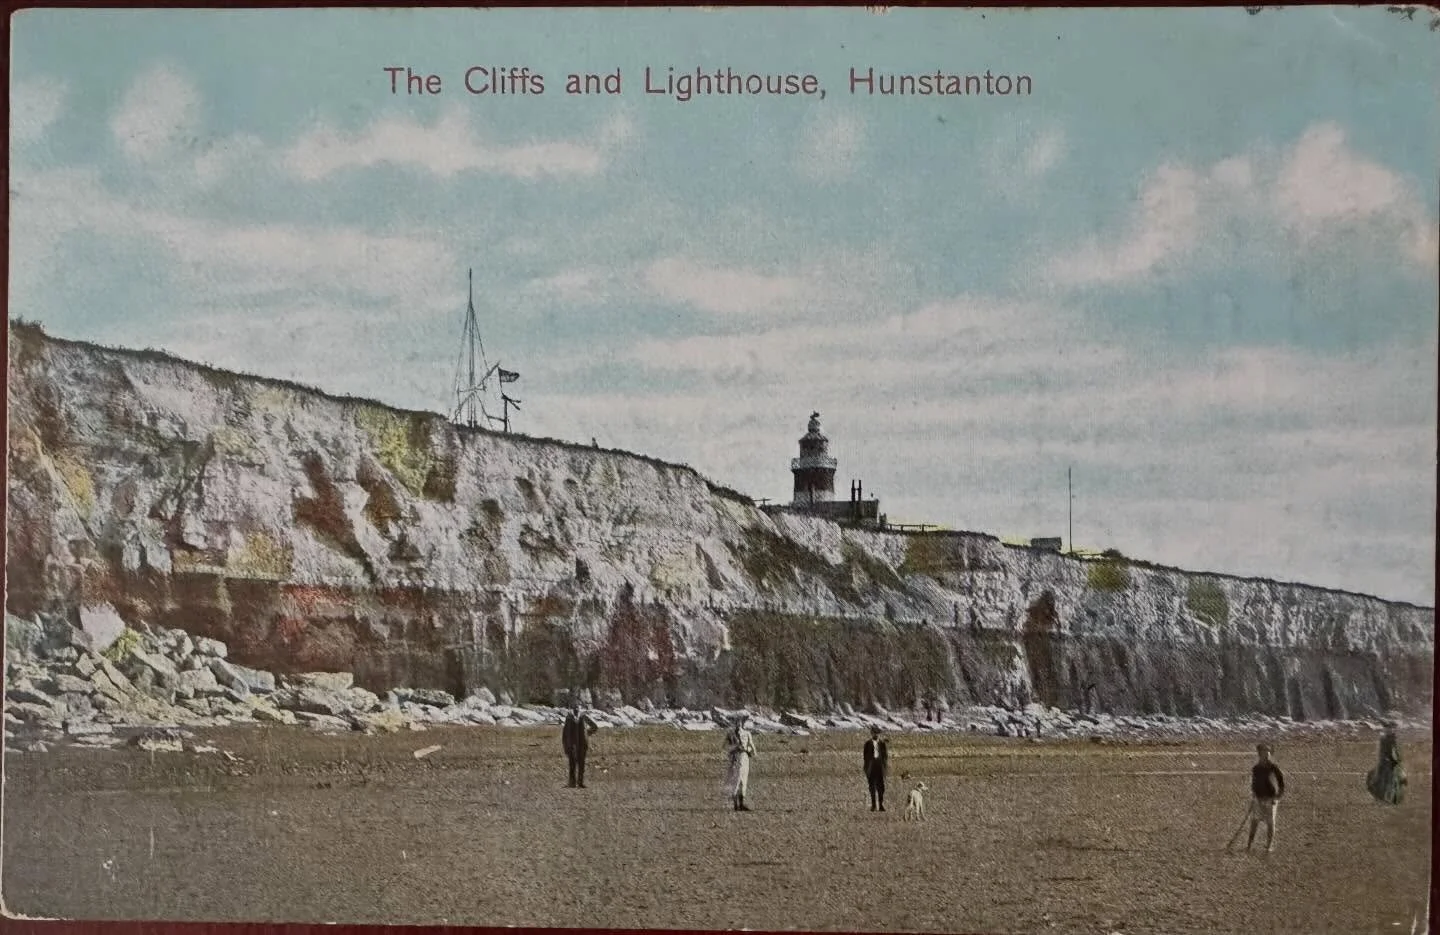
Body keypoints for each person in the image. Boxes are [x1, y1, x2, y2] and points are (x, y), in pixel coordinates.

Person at [1239, 743, 1285, 853]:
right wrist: (1254, 796)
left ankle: (1269, 846)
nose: (1267, 754)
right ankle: (1249, 845)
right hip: (1258, 799)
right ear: (1260, 754)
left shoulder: (1274, 768)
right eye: (1265, 752)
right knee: (1254, 823)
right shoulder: (1256, 768)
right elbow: (1254, 783)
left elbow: (1281, 784)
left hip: (1270, 799)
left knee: (1270, 823)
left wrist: (1277, 797)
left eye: (1268, 752)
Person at [1366, 721, 1407, 806]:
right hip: (1385, 762)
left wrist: (1396, 760)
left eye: (1392, 728)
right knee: (1383, 779)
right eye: (1388, 728)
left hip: (1391, 762)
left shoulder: (1393, 738)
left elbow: (1396, 751)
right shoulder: (1384, 739)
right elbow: (1382, 751)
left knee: (1390, 780)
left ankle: (1386, 798)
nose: (1390, 730)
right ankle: (1381, 797)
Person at [562, 701, 598, 788]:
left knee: (581, 764)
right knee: (572, 764)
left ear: (580, 708)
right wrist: (565, 745)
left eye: (578, 707)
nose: (576, 709)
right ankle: (572, 783)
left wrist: (587, 733)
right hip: (572, 744)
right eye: (575, 707)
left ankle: (580, 782)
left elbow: (595, 726)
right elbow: (565, 733)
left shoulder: (584, 716)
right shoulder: (569, 717)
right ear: (572, 709)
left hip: (581, 744)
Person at [724, 714, 757, 811]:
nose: (738, 724)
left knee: (744, 781)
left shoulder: (747, 734)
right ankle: (735, 805)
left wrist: (747, 749)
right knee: (736, 780)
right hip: (735, 758)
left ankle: (741, 804)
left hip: (744, 757)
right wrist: (734, 748)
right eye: (736, 722)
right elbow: (725, 747)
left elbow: (753, 748)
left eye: (739, 722)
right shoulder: (730, 734)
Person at [863, 726, 889, 811]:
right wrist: (867, 767)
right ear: (871, 733)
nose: (875, 734)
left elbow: (885, 756)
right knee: (872, 786)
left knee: (881, 787)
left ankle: (881, 804)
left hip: (880, 766)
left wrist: (884, 766)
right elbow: (865, 756)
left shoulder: (882, 743)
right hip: (871, 766)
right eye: (874, 733)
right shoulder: (867, 743)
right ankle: (873, 805)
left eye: (877, 733)